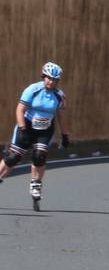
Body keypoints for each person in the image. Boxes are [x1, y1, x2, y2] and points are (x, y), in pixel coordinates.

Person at [0, 62, 69, 207]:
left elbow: (61, 117)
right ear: (43, 76)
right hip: (27, 126)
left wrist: (65, 135)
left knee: (39, 156)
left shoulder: (59, 95)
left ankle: (36, 185)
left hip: (45, 130)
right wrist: (23, 128)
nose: (51, 82)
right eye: (49, 78)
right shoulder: (32, 89)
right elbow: (19, 110)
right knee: (13, 158)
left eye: (55, 80)